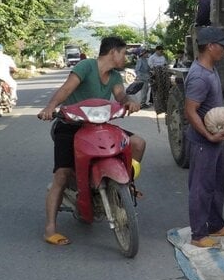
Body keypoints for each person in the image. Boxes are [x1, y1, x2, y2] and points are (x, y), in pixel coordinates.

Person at [37, 36, 147, 246]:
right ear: (113, 52)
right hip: (71, 125)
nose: (126, 57)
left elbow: (121, 96)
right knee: (62, 174)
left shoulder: (115, 76)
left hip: (98, 126)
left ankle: (126, 184)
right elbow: (67, 89)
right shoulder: (86, 66)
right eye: (124, 53)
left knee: (138, 143)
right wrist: (51, 107)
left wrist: (129, 102)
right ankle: (50, 228)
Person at [184, 26, 224, 248]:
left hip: (215, 140)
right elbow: (190, 111)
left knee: (218, 183)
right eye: (222, 46)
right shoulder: (199, 77)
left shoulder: (211, 68)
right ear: (210, 46)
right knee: (201, 187)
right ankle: (198, 234)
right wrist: (208, 134)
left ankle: (216, 225)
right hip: (203, 142)